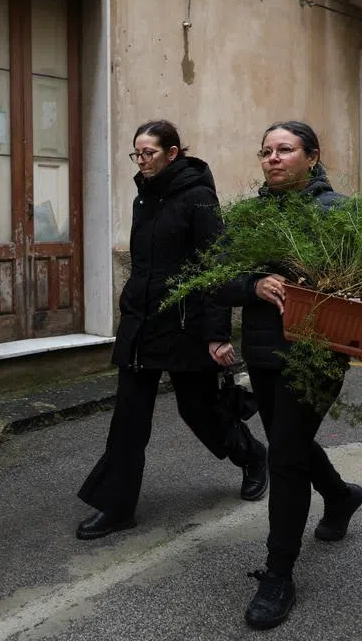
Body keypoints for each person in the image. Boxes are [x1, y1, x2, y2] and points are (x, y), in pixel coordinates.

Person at [75, 120, 269, 541]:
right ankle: (118, 506)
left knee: (197, 410)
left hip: (185, 325)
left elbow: (216, 267)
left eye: (149, 153)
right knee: (128, 419)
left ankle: (253, 456)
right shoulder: (142, 199)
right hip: (142, 324)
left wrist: (217, 334)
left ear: (173, 153)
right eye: (137, 154)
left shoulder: (199, 199)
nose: (141, 161)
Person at [234, 121, 362, 630]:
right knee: (289, 442)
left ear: (312, 157)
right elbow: (217, 278)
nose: (272, 158)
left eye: (284, 149)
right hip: (264, 353)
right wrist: (252, 282)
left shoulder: (340, 211)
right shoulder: (248, 215)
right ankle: (340, 495)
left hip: (315, 354)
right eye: (265, 150)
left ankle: (279, 574)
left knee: (285, 459)